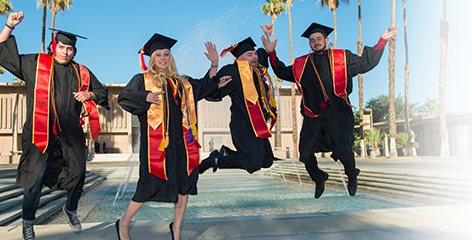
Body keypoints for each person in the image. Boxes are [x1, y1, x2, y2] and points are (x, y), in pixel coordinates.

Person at [0, 11, 110, 240]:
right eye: (62, 47)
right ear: (54, 46)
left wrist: (88, 93)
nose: (66, 52)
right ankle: (28, 222)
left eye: (70, 49)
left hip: (71, 133)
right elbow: (5, 56)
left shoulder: (82, 72)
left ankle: (70, 209)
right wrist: (9, 25)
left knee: (79, 174)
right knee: (35, 179)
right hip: (40, 132)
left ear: (74, 51)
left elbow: (102, 93)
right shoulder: (36, 64)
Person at [262, 22, 398, 198]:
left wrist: (381, 42)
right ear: (309, 44)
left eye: (319, 39)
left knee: (344, 151)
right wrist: (271, 52)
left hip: (338, 113)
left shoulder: (342, 57)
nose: (316, 42)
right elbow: (282, 72)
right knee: (305, 154)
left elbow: (364, 63)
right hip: (313, 116)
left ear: (326, 40)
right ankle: (319, 178)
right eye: (312, 40)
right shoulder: (302, 63)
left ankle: (352, 175)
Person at [116, 33, 231, 240]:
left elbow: (204, 86)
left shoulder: (182, 82)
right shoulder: (142, 80)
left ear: (171, 58)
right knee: (148, 184)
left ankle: (176, 229)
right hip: (158, 146)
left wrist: (214, 65)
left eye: (166, 54)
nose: (163, 58)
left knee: (184, 184)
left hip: (183, 144)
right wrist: (146, 96)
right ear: (152, 59)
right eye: (158, 55)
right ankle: (124, 224)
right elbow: (124, 97)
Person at [199, 34, 277, 175]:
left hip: (259, 125)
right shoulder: (233, 71)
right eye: (249, 54)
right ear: (240, 59)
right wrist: (215, 68)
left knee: (267, 161)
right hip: (244, 125)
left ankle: (227, 153)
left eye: (254, 54)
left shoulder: (258, 70)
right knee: (253, 163)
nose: (254, 57)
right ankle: (214, 160)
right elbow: (210, 92)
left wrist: (268, 44)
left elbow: (262, 54)